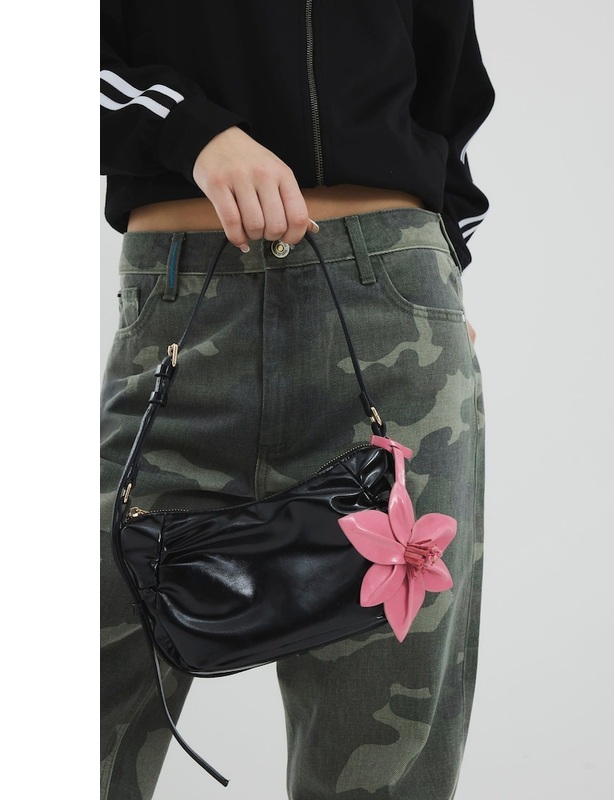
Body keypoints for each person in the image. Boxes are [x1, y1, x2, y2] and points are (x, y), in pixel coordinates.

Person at [100, 1, 495, 798]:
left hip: (394, 303)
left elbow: (448, 90)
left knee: (385, 762)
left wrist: (440, 266)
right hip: (181, 306)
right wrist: (194, 132)